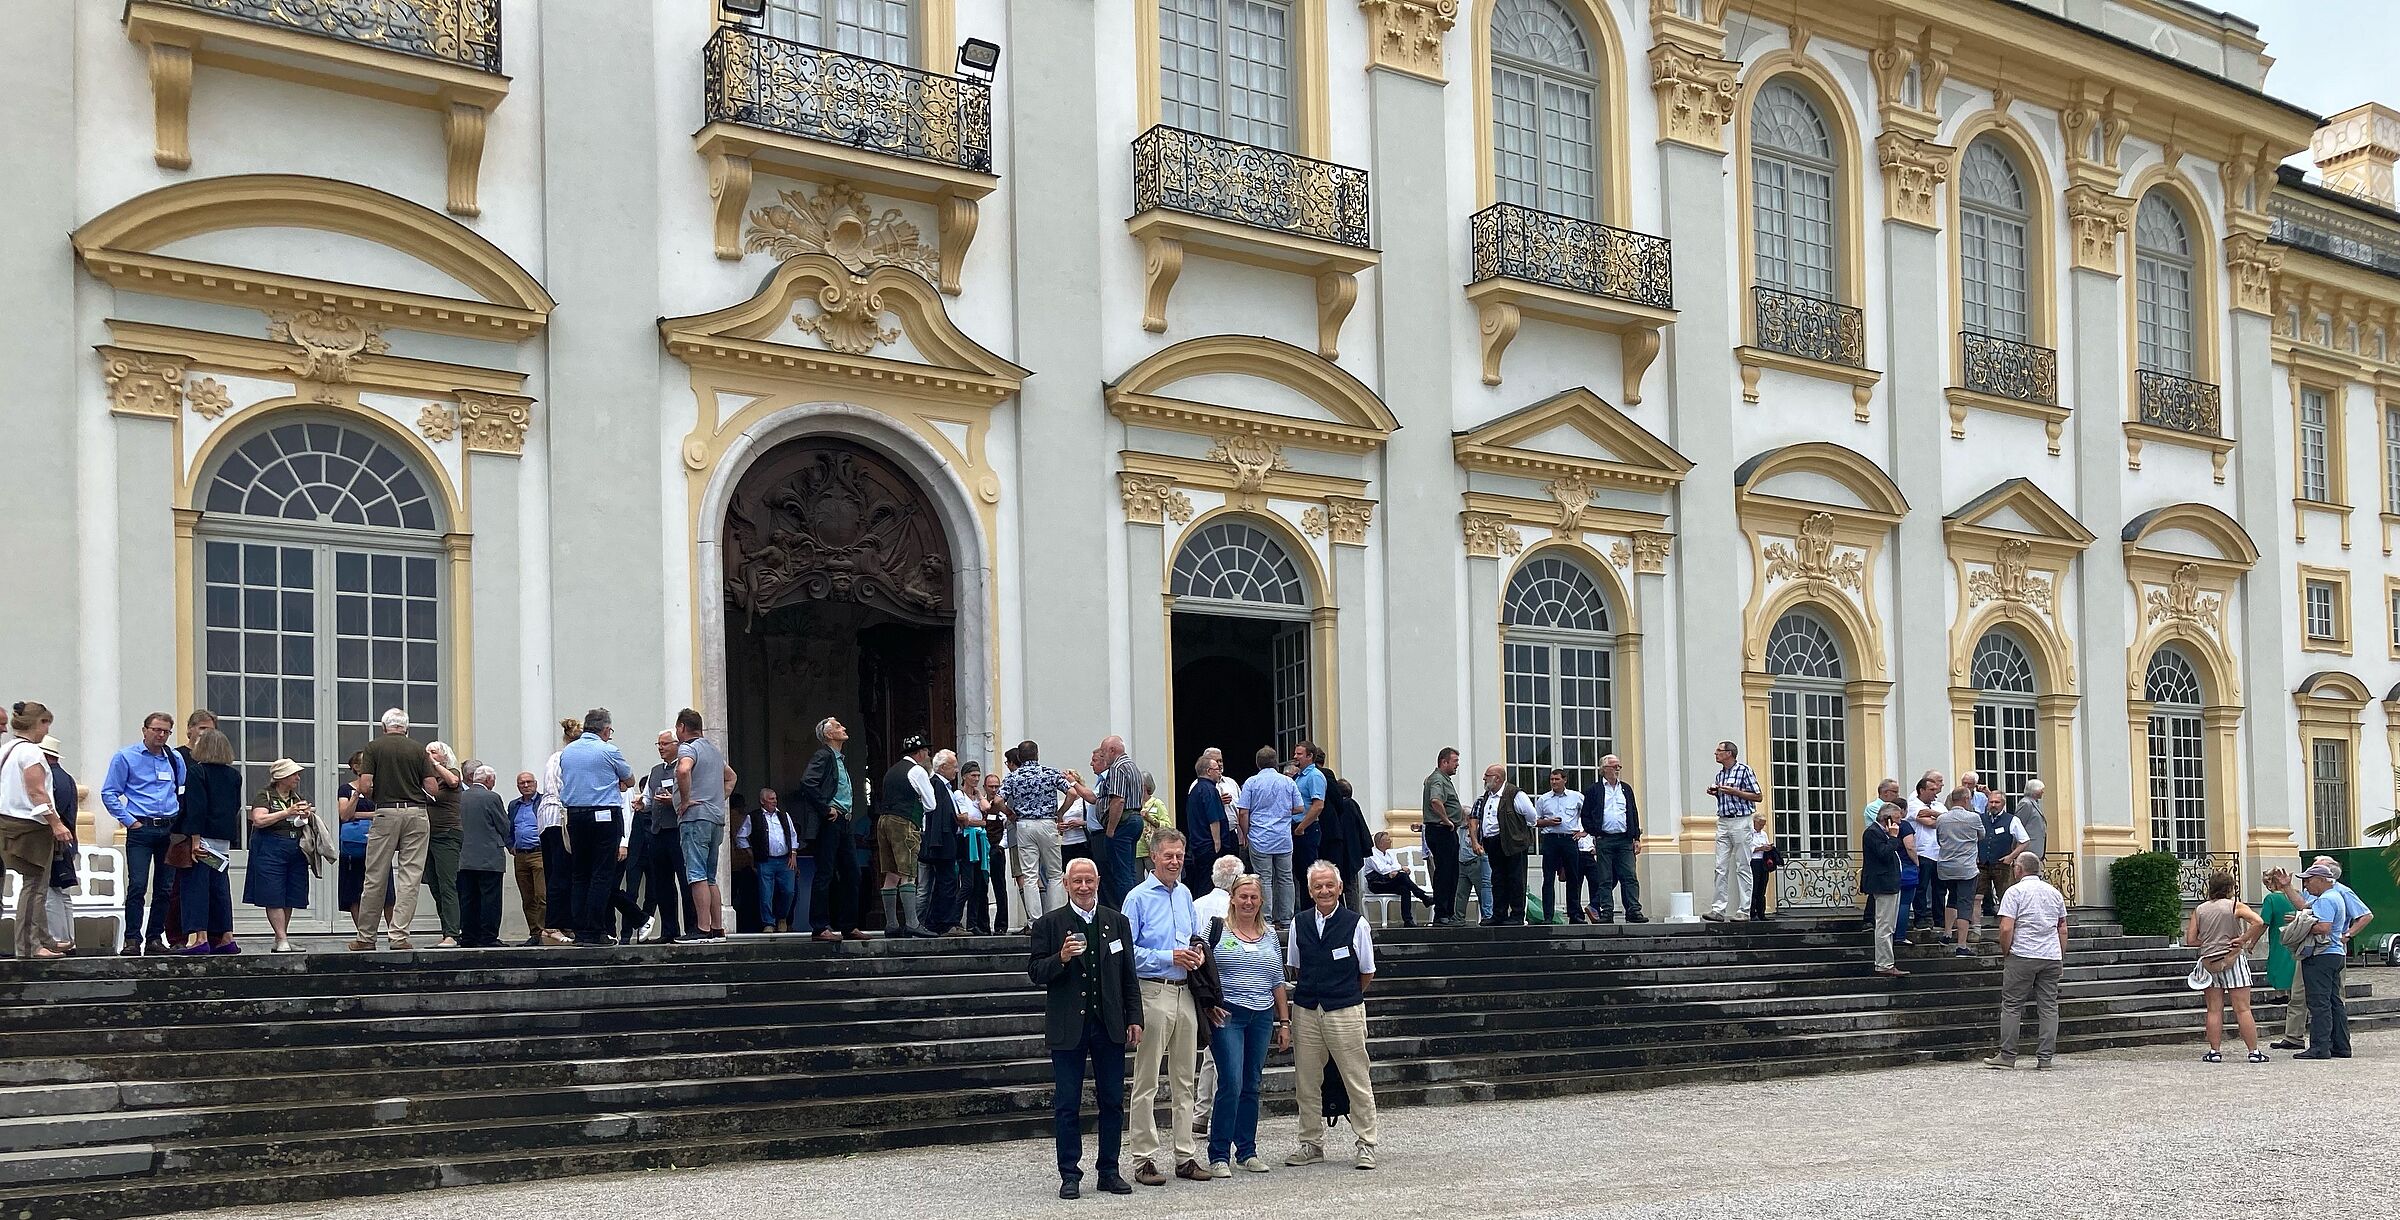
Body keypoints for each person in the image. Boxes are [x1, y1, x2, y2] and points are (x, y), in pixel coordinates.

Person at [1028, 857, 1139, 1199]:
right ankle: (1069, 1174)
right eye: (1077, 880)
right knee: (1067, 1103)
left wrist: (1135, 1017)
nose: (1084, 886)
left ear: (1098, 880)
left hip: (1108, 1024)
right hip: (1068, 1026)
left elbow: (1128, 975)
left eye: (1089, 880)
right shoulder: (1049, 924)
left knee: (1111, 1100)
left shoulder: (1116, 922)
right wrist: (1060, 958)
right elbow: (1035, 972)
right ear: (1066, 884)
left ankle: (1109, 1169)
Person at [1122, 830, 1207, 1185]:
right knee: (1147, 1080)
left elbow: (1193, 936)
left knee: (1186, 1079)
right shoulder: (1137, 898)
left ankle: (1185, 1155)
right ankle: (1143, 1158)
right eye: (1168, 855)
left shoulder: (1186, 894)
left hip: (1184, 990)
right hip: (1152, 991)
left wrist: (1196, 952)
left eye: (1179, 855)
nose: (1175, 861)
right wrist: (1167, 956)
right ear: (1154, 857)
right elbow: (1127, 952)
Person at [1287, 861, 1377, 1170]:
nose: (1324, 891)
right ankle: (1311, 1143)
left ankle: (1366, 1143)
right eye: (1317, 886)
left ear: (1339, 888)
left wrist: (1344, 995)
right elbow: (1296, 967)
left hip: (1345, 1009)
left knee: (1357, 1079)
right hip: (1307, 1010)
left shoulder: (1356, 923)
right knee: (1306, 1082)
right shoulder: (1299, 923)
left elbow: (1367, 971)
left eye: (1329, 885)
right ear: (1310, 891)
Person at [1203, 872, 1287, 1177]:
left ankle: (1247, 1150)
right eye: (1243, 896)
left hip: (1262, 1014)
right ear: (1233, 899)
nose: (1248, 902)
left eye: (1253, 897)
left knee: (1252, 1083)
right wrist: (1208, 1005)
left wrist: (1285, 1021)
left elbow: (1277, 979)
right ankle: (1219, 1153)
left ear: (1261, 900)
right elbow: (1203, 970)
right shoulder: (1217, 930)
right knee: (1231, 1082)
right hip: (1228, 1014)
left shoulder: (1270, 936)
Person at [348, 708, 438, 952]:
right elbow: (432, 786)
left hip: (386, 811)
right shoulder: (418, 749)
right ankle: (398, 936)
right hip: (416, 813)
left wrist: (377, 795)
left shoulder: (374, 747)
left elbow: (365, 784)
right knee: (410, 877)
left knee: (375, 875)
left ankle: (366, 937)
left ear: (384, 727)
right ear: (406, 728)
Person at [100, 711, 183, 956]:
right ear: (144, 729)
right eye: (156, 729)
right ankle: (132, 939)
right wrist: (129, 821)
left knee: (165, 887)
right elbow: (109, 792)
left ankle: (155, 938)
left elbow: (181, 790)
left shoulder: (174, 758)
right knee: (137, 884)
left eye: (166, 731)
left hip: (168, 827)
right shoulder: (126, 757)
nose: (161, 735)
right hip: (141, 827)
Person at [556, 709, 636, 947]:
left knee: (580, 874)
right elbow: (630, 779)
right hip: (603, 816)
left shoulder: (568, 752)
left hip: (575, 816)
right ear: (605, 729)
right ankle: (595, 929)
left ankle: (580, 930)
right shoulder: (608, 750)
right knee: (601, 874)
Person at [1985, 852, 2068, 1070]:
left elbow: (2006, 927)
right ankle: (2045, 1058)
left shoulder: (2015, 892)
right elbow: (2062, 929)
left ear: (2019, 869)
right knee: (2049, 1006)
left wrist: (2006, 950)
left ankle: (2008, 1055)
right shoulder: (2055, 893)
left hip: (2023, 953)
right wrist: (2060, 957)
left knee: (2012, 1005)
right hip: (2050, 954)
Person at [1, 703, 67, 960]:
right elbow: (36, 791)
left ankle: (43, 938)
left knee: (36, 884)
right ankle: (29, 946)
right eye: (46, 723)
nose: (47, 729)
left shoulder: (6, 749)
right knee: (34, 886)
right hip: (29, 826)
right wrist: (56, 823)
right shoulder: (30, 753)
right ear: (38, 723)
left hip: (8, 822)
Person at [171, 727, 242, 955]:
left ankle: (200, 937)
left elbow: (196, 808)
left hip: (202, 838)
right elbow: (235, 808)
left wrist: (194, 840)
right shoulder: (234, 775)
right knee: (220, 888)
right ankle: (226, 936)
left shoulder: (197, 772)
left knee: (196, 887)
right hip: (223, 839)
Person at [2182, 871, 2266, 1063]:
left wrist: (2210, 942)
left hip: (2209, 962)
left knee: (2213, 1009)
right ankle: (2253, 1052)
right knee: (2243, 1008)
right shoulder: (2235, 906)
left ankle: (2214, 1051)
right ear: (2230, 888)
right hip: (2233, 958)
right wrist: (2243, 939)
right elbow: (2258, 922)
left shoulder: (2200, 909)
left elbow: (2191, 940)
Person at [2292, 863, 2373, 1060]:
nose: (2306, 885)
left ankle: (2320, 1047)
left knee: (2319, 1002)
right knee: (2334, 1001)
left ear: (2321, 880)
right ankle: (2341, 1045)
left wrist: (2299, 926)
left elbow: (2324, 927)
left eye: (2309, 880)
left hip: (2322, 954)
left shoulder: (2325, 899)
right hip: (2336, 953)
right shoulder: (2336, 896)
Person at [1190, 853, 1245, 1137]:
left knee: (1212, 1054)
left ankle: (1201, 1113)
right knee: (1221, 1056)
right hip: (1228, 987)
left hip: (1201, 986)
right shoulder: (1236, 907)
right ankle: (1211, 1117)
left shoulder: (1197, 904)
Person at [795, 718, 864, 942]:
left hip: (844, 822)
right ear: (828, 735)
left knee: (852, 872)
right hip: (831, 823)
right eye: (837, 727)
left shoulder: (840, 759)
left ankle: (849, 925)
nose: (843, 728)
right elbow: (808, 782)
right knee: (825, 873)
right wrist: (825, 809)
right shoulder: (824, 755)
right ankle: (819, 927)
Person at [673, 709, 734, 941]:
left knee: (696, 874)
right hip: (715, 818)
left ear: (681, 727)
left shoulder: (688, 748)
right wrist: (719, 798)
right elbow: (731, 777)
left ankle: (702, 928)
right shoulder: (713, 750)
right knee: (710, 876)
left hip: (695, 818)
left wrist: (686, 800)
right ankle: (718, 928)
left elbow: (683, 769)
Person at [243, 758, 314, 952]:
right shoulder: (264, 795)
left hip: (294, 848)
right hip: (269, 848)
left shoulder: (295, 796)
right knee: (273, 893)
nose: (297, 778)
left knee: (290, 894)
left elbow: (299, 822)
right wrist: (286, 813)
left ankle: (281, 936)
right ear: (281, 777)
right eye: (294, 774)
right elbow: (258, 820)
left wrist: (304, 816)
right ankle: (282, 938)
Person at [874, 734, 937, 938]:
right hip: (904, 822)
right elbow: (931, 804)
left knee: (891, 874)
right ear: (919, 753)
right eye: (927, 752)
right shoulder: (917, 770)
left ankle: (892, 924)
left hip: (884, 821)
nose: (928, 755)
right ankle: (912, 922)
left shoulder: (892, 771)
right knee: (908, 872)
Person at [1232, 747, 1304, 928]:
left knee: (1264, 878)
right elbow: (1300, 807)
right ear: (1275, 762)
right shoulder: (1287, 782)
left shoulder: (1251, 782)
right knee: (1285, 878)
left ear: (1257, 763)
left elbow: (1243, 812)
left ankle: (1267, 918)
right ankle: (1287, 918)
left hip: (1260, 836)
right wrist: (1282, 811)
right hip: (1283, 837)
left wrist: (1246, 833)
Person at [1001, 740, 1073, 916]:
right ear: (1037, 754)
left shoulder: (1013, 776)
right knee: (1055, 873)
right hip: (1048, 822)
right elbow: (1072, 793)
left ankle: (1035, 921)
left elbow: (997, 801)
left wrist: (1009, 813)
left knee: (1030, 876)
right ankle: (1055, 917)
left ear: (1020, 756)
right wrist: (1060, 812)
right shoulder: (1050, 772)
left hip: (1024, 824)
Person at [625, 731, 679, 943]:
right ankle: (668, 929)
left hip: (676, 830)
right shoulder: (656, 771)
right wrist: (642, 804)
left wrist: (672, 801)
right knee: (662, 884)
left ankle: (693, 927)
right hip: (657, 832)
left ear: (676, 744)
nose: (661, 747)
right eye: (659, 744)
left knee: (684, 881)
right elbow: (648, 798)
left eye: (665, 744)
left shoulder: (684, 766)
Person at [1469, 764, 1536, 926]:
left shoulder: (1515, 794)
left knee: (1515, 878)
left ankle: (1517, 915)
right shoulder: (1487, 796)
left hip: (1513, 843)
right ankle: (1499, 914)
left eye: (1487, 775)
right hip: (1493, 843)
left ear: (1497, 778)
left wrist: (1516, 831)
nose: (1484, 778)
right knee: (1497, 879)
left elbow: (1532, 816)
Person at [1702, 741, 1761, 922]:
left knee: (1743, 866)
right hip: (1724, 821)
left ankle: (1744, 910)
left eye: (1719, 751)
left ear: (1729, 753)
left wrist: (1736, 792)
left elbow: (1758, 795)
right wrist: (1717, 792)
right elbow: (1725, 796)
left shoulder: (1744, 770)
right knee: (1720, 867)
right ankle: (1718, 909)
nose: (1716, 753)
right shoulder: (1720, 775)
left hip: (1741, 821)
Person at [455, 764, 512, 948]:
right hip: (489, 856)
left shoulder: (460, 797)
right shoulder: (492, 797)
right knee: (490, 899)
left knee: (468, 898)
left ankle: (469, 936)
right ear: (489, 780)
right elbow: (504, 825)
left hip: (465, 856)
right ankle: (488, 936)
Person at [1582, 755, 1644, 923]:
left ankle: (1633, 910)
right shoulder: (1594, 790)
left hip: (1624, 839)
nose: (1617, 769)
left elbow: (1633, 813)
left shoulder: (1626, 788)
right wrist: (1595, 831)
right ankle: (1607, 911)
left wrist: (1636, 837)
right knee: (1605, 878)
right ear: (1604, 769)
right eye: (1614, 766)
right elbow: (1585, 815)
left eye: (1618, 766)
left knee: (1629, 875)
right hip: (1605, 839)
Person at [336, 751, 390, 942]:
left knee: (387, 891)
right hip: (355, 847)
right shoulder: (345, 789)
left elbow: (387, 813)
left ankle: (393, 933)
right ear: (357, 768)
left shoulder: (382, 789)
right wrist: (357, 797)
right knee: (355, 891)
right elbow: (345, 815)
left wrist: (361, 815)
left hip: (380, 843)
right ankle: (364, 934)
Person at [536, 719, 580, 947]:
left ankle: (562, 922)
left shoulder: (555, 757)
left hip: (547, 817)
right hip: (560, 816)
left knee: (557, 872)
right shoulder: (568, 758)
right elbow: (565, 788)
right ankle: (552, 925)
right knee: (560, 874)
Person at [419, 741, 466, 947]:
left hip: (447, 834)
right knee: (435, 885)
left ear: (444, 756)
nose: (429, 754)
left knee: (447, 885)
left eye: (434, 752)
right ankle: (447, 929)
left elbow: (454, 781)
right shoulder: (426, 778)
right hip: (427, 836)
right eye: (427, 751)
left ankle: (453, 934)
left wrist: (435, 765)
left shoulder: (451, 772)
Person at [38, 737, 80, 954]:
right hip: (68, 841)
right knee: (62, 892)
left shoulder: (50, 779)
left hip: (55, 843)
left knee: (50, 892)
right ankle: (68, 938)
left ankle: (56, 938)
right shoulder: (66, 778)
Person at [1859, 791, 1907, 978]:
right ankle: (1884, 963)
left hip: (1890, 884)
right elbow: (1884, 854)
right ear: (1887, 819)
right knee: (1885, 926)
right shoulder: (1873, 833)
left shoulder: (1882, 833)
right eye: (1896, 819)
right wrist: (1894, 837)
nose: (1899, 823)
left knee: (1889, 926)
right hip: (1883, 884)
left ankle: (1886, 962)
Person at [920, 750, 967, 936]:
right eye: (954, 766)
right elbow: (937, 816)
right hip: (942, 843)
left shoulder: (944, 786)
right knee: (945, 883)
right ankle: (943, 922)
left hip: (949, 841)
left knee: (946, 883)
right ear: (943, 767)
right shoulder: (937, 785)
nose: (956, 770)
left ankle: (939, 921)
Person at [1533, 769, 1588, 925]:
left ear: (1565, 780)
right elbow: (1535, 821)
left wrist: (1585, 832)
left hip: (1569, 839)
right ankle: (1548, 916)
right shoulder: (1543, 799)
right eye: (1551, 779)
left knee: (1573, 877)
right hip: (1551, 839)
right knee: (1548, 878)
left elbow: (1588, 815)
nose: (1554, 782)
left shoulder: (1576, 797)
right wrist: (1548, 822)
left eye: (1557, 779)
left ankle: (1574, 914)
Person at [1934, 789, 1984, 956]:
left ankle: (1947, 933)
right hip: (1966, 867)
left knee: (1952, 898)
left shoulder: (1941, 818)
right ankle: (1961, 945)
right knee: (1965, 903)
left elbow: (1939, 839)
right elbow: (1981, 835)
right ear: (1965, 799)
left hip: (1946, 866)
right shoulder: (1973, 818)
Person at [743, 785, 800, 933]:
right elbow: (741, 837)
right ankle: (768, 922)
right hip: (765, 861)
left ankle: (782, 918)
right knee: (765, 893)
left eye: (775, 799)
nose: (775, 802)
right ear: (762, 801)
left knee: (789, 892)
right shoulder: (753, 817)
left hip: (785, 860)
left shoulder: (784, 815)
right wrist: (751, 854)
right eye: (771, 799)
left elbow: (793, 835)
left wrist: (793, 854)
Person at [2258, 869, 2303, 1049]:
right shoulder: (2296, 896)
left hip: (2279, 938)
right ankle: (2287, 992)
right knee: (2292, 965)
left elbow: (2263, 922)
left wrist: (2251, 940)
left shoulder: (2271, 899)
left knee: (2277, 963)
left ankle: (2281, 993)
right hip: (2296, 937)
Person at [1421, 748, 1464, 926]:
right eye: (1454, 761)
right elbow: (1435, 800)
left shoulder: (1441, 779)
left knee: (1451, 872)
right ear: (1444, 762)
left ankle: (1447, 912)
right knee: (1446, 873)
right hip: (1441, 831)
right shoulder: (1438, 779)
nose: (1457, 765)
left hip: (1443, 831)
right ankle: (1442, 913)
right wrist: (1446, 820)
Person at [1319, 772, 1372, 914]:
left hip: (1341, 852)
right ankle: (1353, 914)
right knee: (1350, 886)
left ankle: (1347, 914)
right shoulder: (1351, 805)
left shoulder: (1340, 807)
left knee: (1344, 886)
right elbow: (1362, 831)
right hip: (1351, 853)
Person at [1183, 753, 1230, 901]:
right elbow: (1214, 818)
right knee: (1208, 883)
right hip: (1208, 844)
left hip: (1197, 843)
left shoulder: (1195, 790)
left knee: (1199, 881)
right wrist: (1217, 842)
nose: (1219, 772)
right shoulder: (1210, 790)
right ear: (1209, 771)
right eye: (1217, 769)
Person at [1975, 794, 2031, 918]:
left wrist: (2011, 857)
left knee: (2005, 894)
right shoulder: (1980, 818)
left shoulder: (2012, 819)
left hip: (2002, 863)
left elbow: (2025, 841)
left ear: (2003, 804)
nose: (1993, 805)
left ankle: (2007, 921)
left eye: (1997, 802)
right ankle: (1980, 923)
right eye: (1991, 802)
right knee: (1978, 894)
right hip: (1982, 863)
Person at [506, 771, 546, 945]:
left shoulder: (543, 802)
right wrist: (510, 845)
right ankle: (534, 933)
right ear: (518, 786)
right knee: (527, 897)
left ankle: (545, 932)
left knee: (542, 895)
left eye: (529, 782)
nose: (526, 785)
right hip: (520, 855)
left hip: (539, 853)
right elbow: (508, 827)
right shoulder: (514, 805)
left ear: (536, 784)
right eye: (522, 783)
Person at [1363, 831, 1434, 926]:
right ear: (1381, 843)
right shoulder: (1372, 854)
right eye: (1388, 840)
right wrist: (1398, 869)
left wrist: (1395, 871)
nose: (1390, 841)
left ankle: (1408, 920)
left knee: (1405, 889)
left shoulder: (1389, 854)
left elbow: (1396, 865)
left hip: (1388, 882)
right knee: (1402, 876)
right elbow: (1382, 869)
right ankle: (1423, 896)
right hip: (1377, 883)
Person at [1906, 771, 1945, 936]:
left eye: (1936, 789)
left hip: (1939, 852)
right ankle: (1921, 917)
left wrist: (1935, 815)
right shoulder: (1913, 803)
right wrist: (1938, 818)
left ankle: (1939, 918)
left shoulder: (1938, 805)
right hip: (1923, 851)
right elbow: (1928, 823)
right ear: (1922, 790)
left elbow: (1946, 819)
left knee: (1939, 889)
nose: (1935, 793)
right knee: (1921, 887)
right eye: (1931, 790)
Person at [955, 761, 991, 935]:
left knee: (978, 883)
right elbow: (965, 819)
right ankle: (954, 918)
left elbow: (987, 808)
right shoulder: (959, 795)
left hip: (979, 838)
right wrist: (982, 822)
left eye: (978, 776)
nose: (976, 779)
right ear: (964, 776)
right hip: (967, 840)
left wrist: (979, 795)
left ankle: (973, 922)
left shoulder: (977, 797)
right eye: (973, 775)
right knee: (967, 883)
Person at [982, 770, 1011, 934]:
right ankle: (983, 925)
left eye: (996, 786)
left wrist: (1001, 846)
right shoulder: (981, 804)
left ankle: (1001, 925)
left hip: (996, 849)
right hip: (981, 848)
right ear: (985, 787)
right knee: (981, 887)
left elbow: (1008, 828)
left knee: (1000, 887)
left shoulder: (1001, 806)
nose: (994, 789)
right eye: (991, 786)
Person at [1746, 811, 1776, 921]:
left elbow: (1766, 845)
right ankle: (1752, 913)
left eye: (1764, 824)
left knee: (1762, 888)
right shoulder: (1749, 833)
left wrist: (1768, 847)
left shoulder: (1764, 834)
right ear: (1755, 822)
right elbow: (1748, 849)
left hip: (1763, 862)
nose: (1762, 826)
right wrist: (1760, 848)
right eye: (1760, 824)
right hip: (1754, 861)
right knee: (1754, 887)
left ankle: (1761, 913)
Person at [2013, 780, 2048, 860]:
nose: (2043, 792)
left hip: (2035, 849)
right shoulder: (2026, 804)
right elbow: (2019, 825)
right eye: (2041, 789)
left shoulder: (2034, 803)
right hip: (2028, 849)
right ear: (2034, 790)